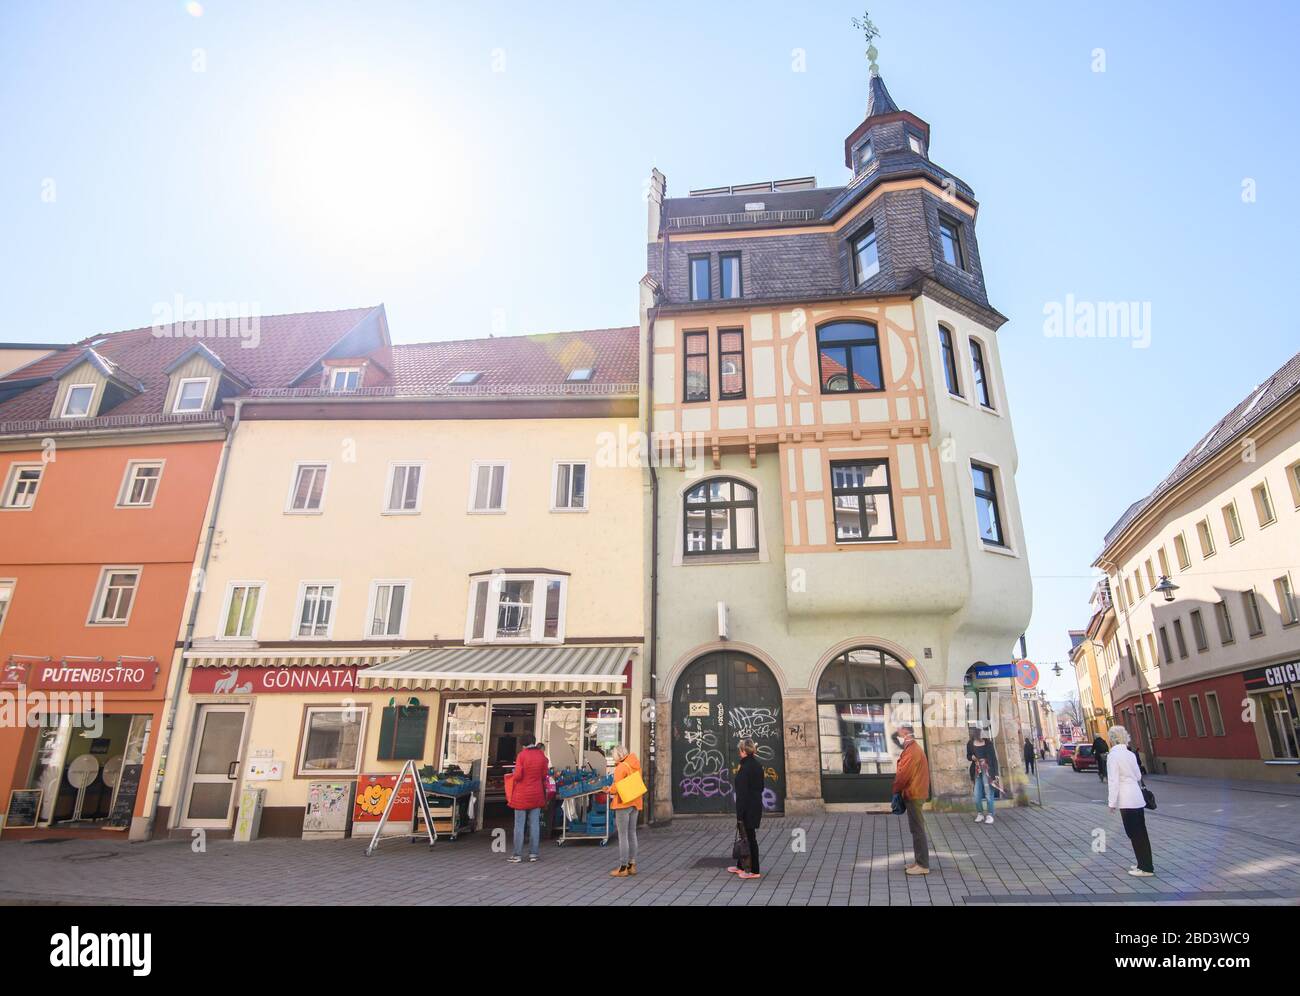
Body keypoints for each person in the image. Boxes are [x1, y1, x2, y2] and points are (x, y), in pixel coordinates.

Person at [1106, 725, 1155, 877]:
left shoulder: (1113, 756)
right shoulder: (1130, 754)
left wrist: (1111, 802)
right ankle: (1144, 864)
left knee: (1133, 833)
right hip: (1137, 798)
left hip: (1125, 799)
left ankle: (1145, 868)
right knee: (1142, 832)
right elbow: (1139, 776)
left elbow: (1113, 781)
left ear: (1112, 740)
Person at [892, 722, 930, 875]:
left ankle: (923, 865)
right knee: (916, 829)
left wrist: (895, 789)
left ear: (906, 732)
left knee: (918, 829)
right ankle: (919, 861)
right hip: (914, 792)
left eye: (899, 733)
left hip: (914, 794)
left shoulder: (912, 750)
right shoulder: (911, 748)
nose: (897, 736)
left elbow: (904, 774)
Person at [506, 740, 549, 863]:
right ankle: (534, 854)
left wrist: (513, 775)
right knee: (534, 824)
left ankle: (517, 854)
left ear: (523, 744)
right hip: (536, 794)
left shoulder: (522, 755)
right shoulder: (541, 755)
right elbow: (544, 774)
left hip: (522, 795)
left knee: (519, 825)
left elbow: (518, 775)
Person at [728, 739, 765, 880]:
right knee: (745, 837)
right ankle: (740, 866)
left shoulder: (745, 768)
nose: (739, 752)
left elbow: (742, 794)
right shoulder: (757, 765)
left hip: (747, 807)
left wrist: (740, 814)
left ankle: (754, 870)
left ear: (744, 751)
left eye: (740, 750)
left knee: (750, 838)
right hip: (755, 804)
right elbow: (761, 787)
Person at [608, 745, 643, 878]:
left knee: (622, 836)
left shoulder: (620, 767)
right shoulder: (634, 763)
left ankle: (623, 867)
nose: (613, 758)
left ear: (618, 755)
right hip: (635, 801)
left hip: (623, 803)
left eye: (613, 755)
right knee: (632, 833)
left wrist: (608, 790)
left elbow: (616, 787)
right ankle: (632, 864)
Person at [967, 727, 1000, 824]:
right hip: (977, 771)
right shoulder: (970, 744)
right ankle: (980, 814)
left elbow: (994, 759)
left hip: (988, 771)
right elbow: (968, 756)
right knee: (977, 794)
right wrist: (971, 757)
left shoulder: (988, 744)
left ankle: (990, 814)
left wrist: (996, 774)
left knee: (988, 793)